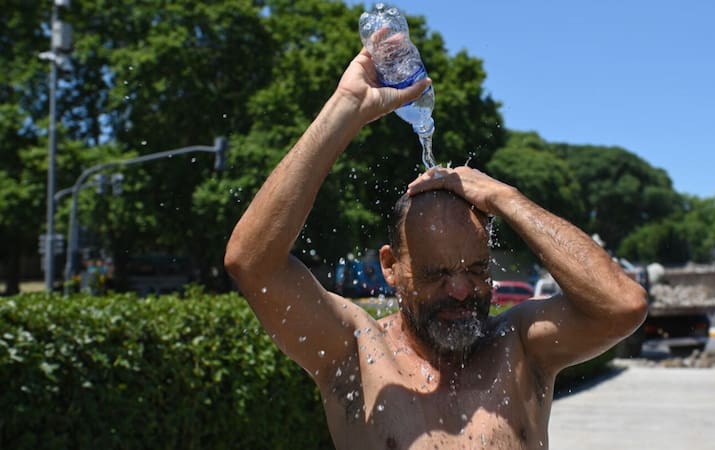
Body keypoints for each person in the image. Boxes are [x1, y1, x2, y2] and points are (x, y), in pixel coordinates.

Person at [224, 48, 648, 449]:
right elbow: (252, 263)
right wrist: (345, 108)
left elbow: (622, 306)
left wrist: (507, 200)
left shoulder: (519, 345)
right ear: (390, 266)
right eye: (436, 274)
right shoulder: (355, 351)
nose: (462, 290)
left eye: (477, 269)